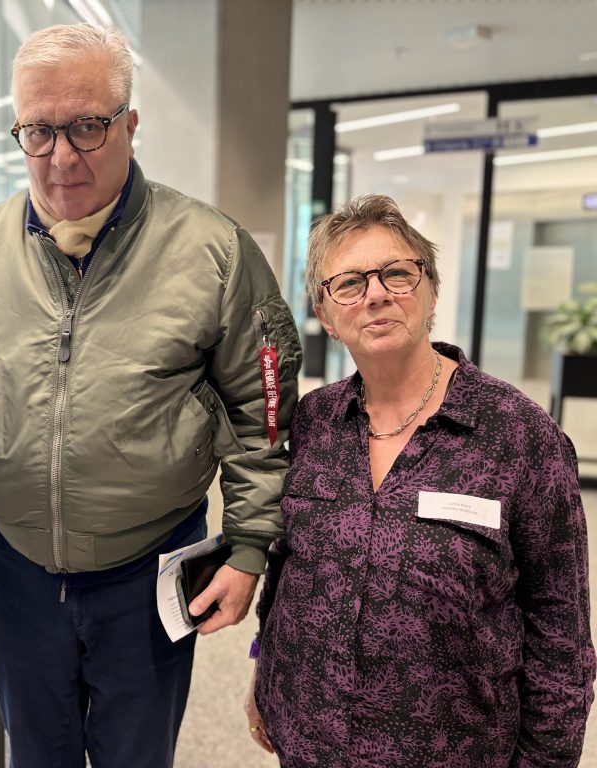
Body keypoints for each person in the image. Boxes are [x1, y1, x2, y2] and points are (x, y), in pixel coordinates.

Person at [0, 23, 301, 767]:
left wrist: (249, 547)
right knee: (36, 755)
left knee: (136, 755)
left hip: (149, 568)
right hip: (16, 566)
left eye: (87, 126)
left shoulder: (213, 250)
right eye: (39, 131)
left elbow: (262, 411)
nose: (62, 157)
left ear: (130, 126)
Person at [245, 194, 596, 766]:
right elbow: (287, 566)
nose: (376, 294)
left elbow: (561, 633)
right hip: (309, 739)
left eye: (397, 273)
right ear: (327, 316)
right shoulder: (314, 422)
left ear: (431, 289)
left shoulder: (519, 435)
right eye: (349, 283)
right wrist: (264, 670)